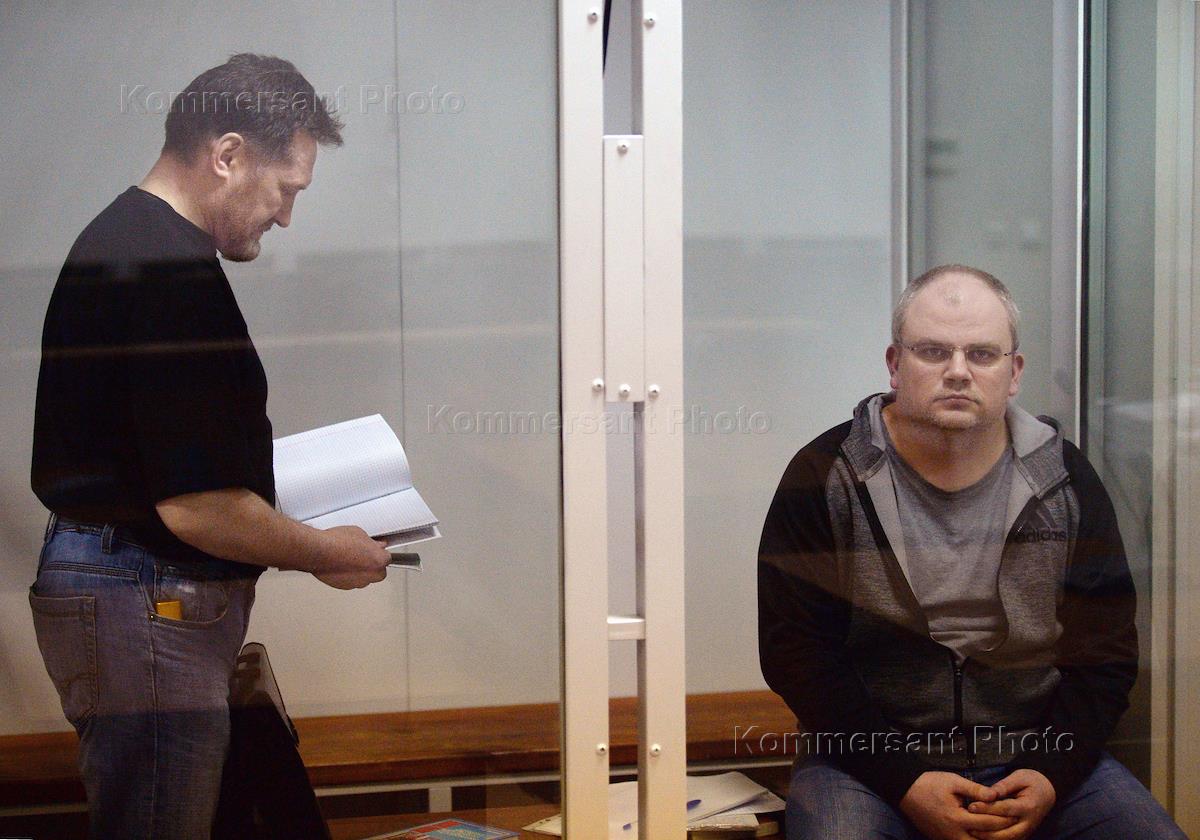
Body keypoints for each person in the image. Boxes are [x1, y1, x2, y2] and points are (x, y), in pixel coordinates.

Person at [29, 54, 394, 840]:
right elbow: (196, 507)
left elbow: (173, 465)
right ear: (227, 155)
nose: (286, 217)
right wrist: (324, 550)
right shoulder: (165, 270)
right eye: (286, 189)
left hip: (129, 596)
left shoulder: (135, 240)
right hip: (144, 600)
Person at [758, 265, 1185, 840]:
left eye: (982, 354)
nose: (958, 371)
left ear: (1014, 373)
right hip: (866, 759)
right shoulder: (824, 475)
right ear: (894, 365)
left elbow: (1106, 654)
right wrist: (905, 780)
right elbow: (795, 653)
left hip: (1040, 751)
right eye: (933, 351)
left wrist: (1050, 774)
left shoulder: (1066, 477)